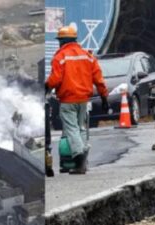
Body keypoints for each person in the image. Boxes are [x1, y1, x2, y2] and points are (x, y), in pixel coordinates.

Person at [45, 24, 109, 175]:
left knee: (71, 129)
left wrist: (46, 87)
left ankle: (79, 160)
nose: (59, 43)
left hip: (68, 100)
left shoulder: (60, 57)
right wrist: (104, 97)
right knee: (80, 128)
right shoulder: (87, 56)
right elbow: (99, 79)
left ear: (63, 41)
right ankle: (83, 159)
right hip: (83, 100)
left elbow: (54, 80)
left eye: (60, 40)